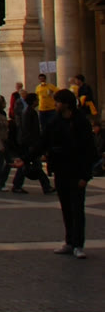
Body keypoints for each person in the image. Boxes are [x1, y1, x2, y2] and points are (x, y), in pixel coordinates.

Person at [43, 87, 94, 257]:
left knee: (77, 209)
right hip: (61, 170)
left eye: (57, 102)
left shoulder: (81, 122)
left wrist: (85, 176)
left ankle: (78, 244)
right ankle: (69, 241)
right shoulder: (55, 122)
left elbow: (89, 151)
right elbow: (43, 142)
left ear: (66, 104)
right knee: (66, 208)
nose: (55, 105)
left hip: (77, 172)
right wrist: (25, 158)